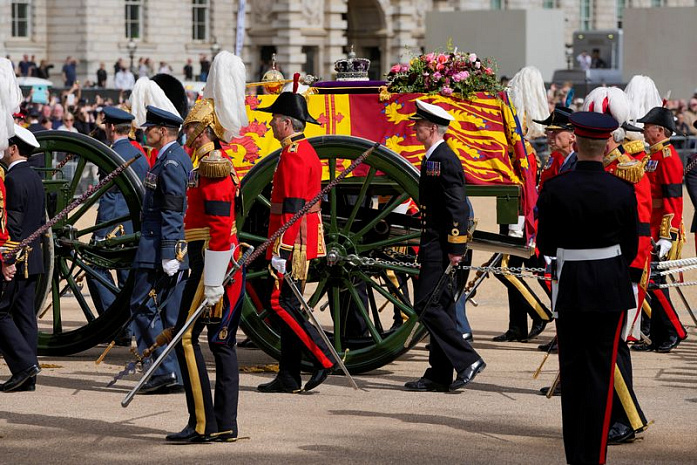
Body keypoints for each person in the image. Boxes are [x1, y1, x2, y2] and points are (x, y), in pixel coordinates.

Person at [537, 111, 638, 465]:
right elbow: (631, 247)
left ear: (576, 143)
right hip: (610, 288)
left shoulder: (554, 188)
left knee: (575, 376)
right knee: (600, 374)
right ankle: (595, 458)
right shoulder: (622, 188)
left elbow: (546, 244)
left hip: (572, 288)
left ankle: (576, 457)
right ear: (606, 144)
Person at [166, 51, 247, 443]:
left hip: (213, 262)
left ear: (205, 131)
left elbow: (218, 228)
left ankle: (203, 423)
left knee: (186, 336)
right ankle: (224, 423)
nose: (186, 134)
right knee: (220, 344)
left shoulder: (213, 164)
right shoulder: (207, 163)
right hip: (207, 259)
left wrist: (213, 279)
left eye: (191, 129)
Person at [255, 89, 336, 394]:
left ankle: (323, 357)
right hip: (297, 239)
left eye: (275, 119)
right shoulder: (301, 151)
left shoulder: (294, 155)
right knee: (290, 304)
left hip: (292, 242)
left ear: (287, 123)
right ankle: (289, 374)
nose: (271, 124)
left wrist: (281, 250)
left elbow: (290, 209)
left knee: (280, 303)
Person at [403, 99, 485, 393]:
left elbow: (457, 206)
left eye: (419, 124)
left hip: (441, 244)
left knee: (425, 303)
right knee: (443, 308)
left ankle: (468, 360)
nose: (415, 128)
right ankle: (439, 373)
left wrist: (456, 246)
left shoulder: (445, 159)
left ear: (433, 128)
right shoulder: (433, 156)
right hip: (433, 240)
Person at [583, 86, 650, 445]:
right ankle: (617, 416)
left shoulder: (629, 168)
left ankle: (627, 419)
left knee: (615, 345)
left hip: (625, 271)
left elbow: (639, 228)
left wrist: (630, 273)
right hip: (605, 270)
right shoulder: (609, 166)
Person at [128, 105, 192, 394]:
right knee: (168, 314)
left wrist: (169, 252)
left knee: (141, 307)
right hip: (163, 247)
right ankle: (171, 372)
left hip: (159, 248)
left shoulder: (171, 163)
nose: (145, 132)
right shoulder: (170, 158)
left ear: (162, 131)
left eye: (149, 128)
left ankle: (164, 371)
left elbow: (172, 210)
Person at [632, 107, 687, 353]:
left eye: (648, 126)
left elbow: (673, 199)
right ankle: (656, 335)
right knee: (651, 283)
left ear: (660, 131)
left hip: (661, 229)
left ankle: (675, 330)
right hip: (650, 226)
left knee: (657, 283)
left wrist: (667, 234)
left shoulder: (667, 156)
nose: (644, 129)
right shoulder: (652, 155)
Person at [85, 107, 149, 316]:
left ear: (111, 127)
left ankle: (115, 321)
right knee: (126, 275)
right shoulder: (139, 152)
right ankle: (126, 326)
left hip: (112, 221)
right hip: (135, 221)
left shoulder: (112, 154)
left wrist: (100, 231)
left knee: (94, 268)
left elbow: (110, 195)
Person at [0, 125, 46, 392]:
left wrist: (8, 259)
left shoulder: (14, 179)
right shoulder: (33, 177)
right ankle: (28, 376)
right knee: (25, 316)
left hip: (17, 258)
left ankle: (25, 365)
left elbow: (14, 225)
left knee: (3, 313)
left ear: (14, 148)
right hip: (34, 257)